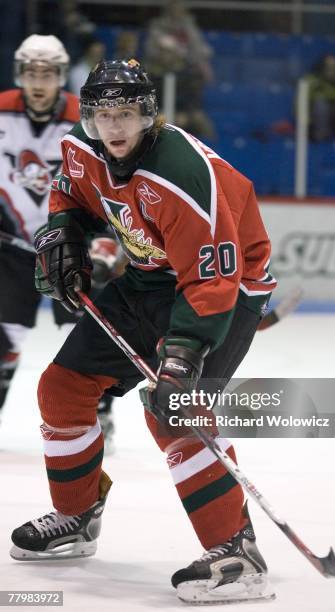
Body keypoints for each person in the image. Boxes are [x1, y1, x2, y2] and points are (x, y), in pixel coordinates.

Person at [9, 58, 276, 604]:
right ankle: (77, 515)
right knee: (61, 388)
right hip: (151, 277)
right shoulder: (83, 151)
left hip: (227, 288)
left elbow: (212, 276)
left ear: (148, 114)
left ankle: (236, 551)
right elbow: (71, 198)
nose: (115, 126)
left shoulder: (178, 173)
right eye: (104, 114)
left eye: (126, 113)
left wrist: (181, 357)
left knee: (174, 409)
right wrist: (62, 235)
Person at [0, 34, 118, 451]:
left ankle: (99, 409)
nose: (39, 81)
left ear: (61, 75)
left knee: (84, 330)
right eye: (31, 72)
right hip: (13, 244)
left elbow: (108, 185)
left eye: (48, 73)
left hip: (72, 240)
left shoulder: (84, 118)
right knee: (5, 332)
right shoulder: (0, 110)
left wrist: (106, 244)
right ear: (19, 73)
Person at [144, 0, 215, 140]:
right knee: (161, 121)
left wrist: (188, 114)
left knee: (200, 123)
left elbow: (192, 102)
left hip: (184, 107)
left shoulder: (188, 76)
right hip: (160, 107)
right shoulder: (154, 77)